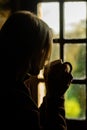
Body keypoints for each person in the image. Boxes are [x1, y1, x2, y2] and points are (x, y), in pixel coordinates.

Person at [0, 10, 73, 129]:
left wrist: (52, 95)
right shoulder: (15, 98)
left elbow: (34, 122)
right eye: (43, 48)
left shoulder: (12, 86)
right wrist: (56, 97)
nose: (46, 57)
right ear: (29, 50)